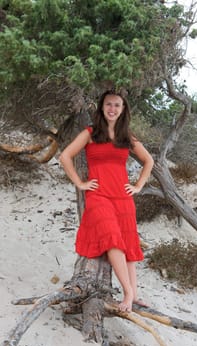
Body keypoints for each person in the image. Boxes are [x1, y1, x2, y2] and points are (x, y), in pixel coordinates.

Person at [59, 90, 154, 312]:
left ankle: (134, 294)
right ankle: (128, 293)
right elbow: (65, 157)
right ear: (102, 107)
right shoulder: (91, 132)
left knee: (129, 245)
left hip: (123, 197)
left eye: (117, 105)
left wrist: (138, 185)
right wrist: (80, 184)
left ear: (123, 110)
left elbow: (148, 161)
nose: (112, 109)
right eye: (109, 104)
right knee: (112, 238)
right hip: (98, 195)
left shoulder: (126, 136)